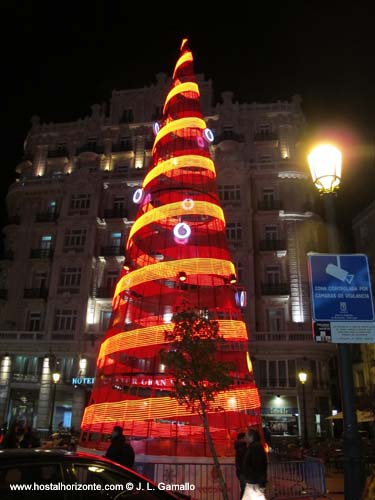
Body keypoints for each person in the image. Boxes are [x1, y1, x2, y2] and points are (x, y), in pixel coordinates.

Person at [241, 428, 268, 500]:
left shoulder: (255, 447)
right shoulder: (253, 447)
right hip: (252, 482)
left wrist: (259, 481)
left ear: (251, 437)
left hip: (254, 482)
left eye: (246, 435)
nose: (245, 437)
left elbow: (258, 466)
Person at [234, 432, 247, 498]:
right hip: (244, 472)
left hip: (242, 472)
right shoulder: (242, 448)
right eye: (245, 437)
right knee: (245, 490)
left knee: (244, 489)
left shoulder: (240, 447)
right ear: (242, 438)